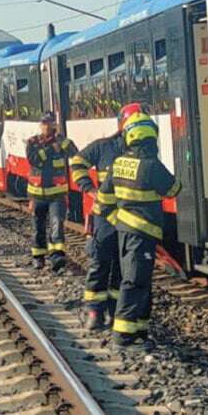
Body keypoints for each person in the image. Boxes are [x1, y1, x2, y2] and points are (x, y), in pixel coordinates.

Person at [97, 111, 180, 348]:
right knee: (134, 282)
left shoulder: (118, 163)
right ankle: (123, 337)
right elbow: (173, 189)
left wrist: (119, 220)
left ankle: (140, 332)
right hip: (143, 233)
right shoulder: (151, 166)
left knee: (139, 281)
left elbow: (103, 200)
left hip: (124, 232)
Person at [70, 102, 139, 330]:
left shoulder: (142, 150)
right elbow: (77, 162)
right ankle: (94, 313)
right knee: (99, 265)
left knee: (122, 269)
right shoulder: (103, 147)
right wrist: (89, 188)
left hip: (128, 220)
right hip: (105, 219)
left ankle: (114, 312)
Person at [25, 111, 78, 272]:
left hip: (57, 195)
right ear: (40, 125)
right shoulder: (33, 142)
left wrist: (65, 142)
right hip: (37, 195)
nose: (46, 126)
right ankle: (38, 258)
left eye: (49, 123)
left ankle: (57, 258)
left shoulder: (61, 141)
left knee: (57, 226)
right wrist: (50, 149)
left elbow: (75, 153)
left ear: (54, 124)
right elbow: (33, 159)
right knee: (38, 228)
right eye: (44, 123)